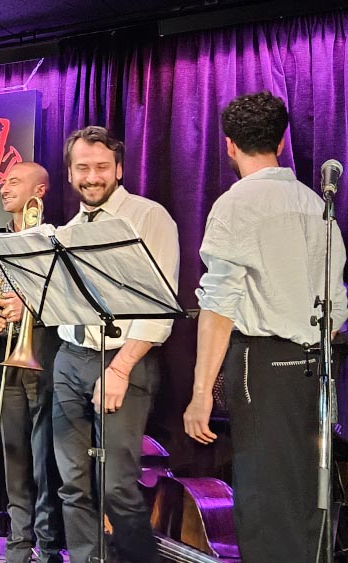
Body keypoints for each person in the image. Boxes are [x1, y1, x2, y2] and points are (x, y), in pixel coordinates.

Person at [183, 92, 348, 563]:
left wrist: (200, 394)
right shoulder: (316, 205)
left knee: (262, 497)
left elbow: (219, 307)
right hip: (316, 367)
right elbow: (337, 303)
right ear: (281, 142)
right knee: (306, 496)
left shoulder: (235, 205)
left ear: (229, 145)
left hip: (261, 365)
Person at [51, 127, 179, 563]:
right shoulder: (67, 230)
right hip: (69, 358)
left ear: (119, 169)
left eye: (102, 167)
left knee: (116, 486)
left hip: (123, 359)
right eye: (82, 168)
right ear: (70, 173)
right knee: (73, 484)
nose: (92, 177)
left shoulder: (148, 217)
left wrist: (120, 369)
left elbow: (160, 308)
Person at [0, 161, 63, 563]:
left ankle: (48, 544)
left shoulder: (55, 239)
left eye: (14, 181)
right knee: (13, 454)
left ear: (39, 192)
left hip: (43, 354)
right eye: (3, 181)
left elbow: (66, 302)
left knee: (44, 457)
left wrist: (31, 307)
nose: (4, 187)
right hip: (8, 357)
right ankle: (18, 542)